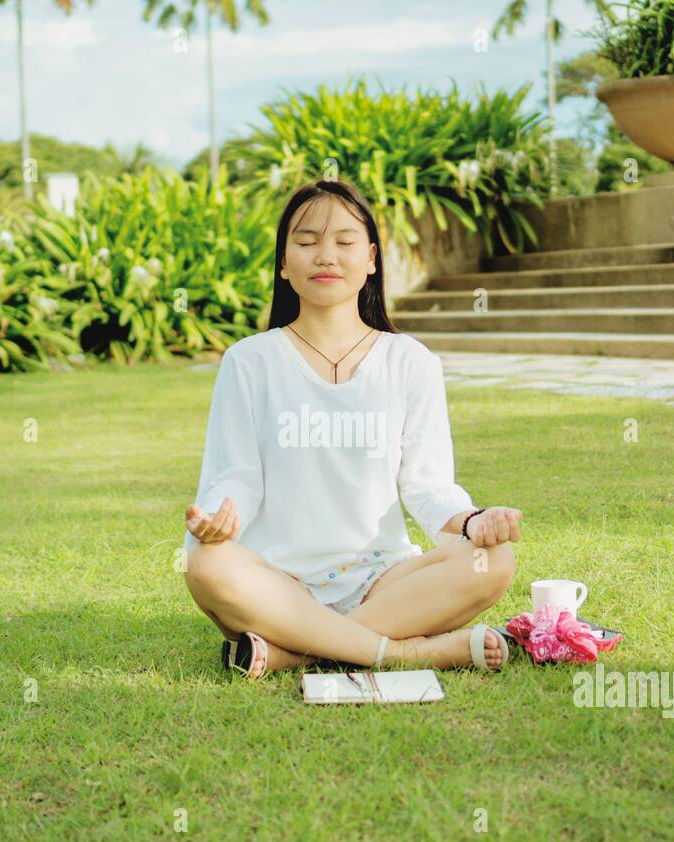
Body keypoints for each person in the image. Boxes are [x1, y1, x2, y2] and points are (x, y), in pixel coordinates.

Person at [182, 179, 523, 679]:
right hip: (279, 582)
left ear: (370, 260)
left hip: (381, 580)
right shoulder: (248, 361)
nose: (325, 255)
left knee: (492, 562)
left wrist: (474, 522)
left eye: (344, 242)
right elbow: (235, 477)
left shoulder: (411, 362)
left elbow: (428, 487)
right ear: (282, 263)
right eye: (305, 241)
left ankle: (294, 652)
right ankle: (406, 653)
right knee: (206, 563)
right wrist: (218, 519)